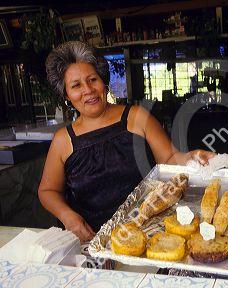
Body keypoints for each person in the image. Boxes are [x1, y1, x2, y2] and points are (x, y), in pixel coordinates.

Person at [38, 41, 215, 242]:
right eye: (76, 85)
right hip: (93, 240)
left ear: (103, 82)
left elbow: (171, 158)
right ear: (67, 95)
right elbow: (47, 191)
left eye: (92, 79)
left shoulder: (137, 117)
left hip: (150, 234)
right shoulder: (63, 140)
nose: (88, 90)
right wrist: (67, 216)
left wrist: (191, 157)